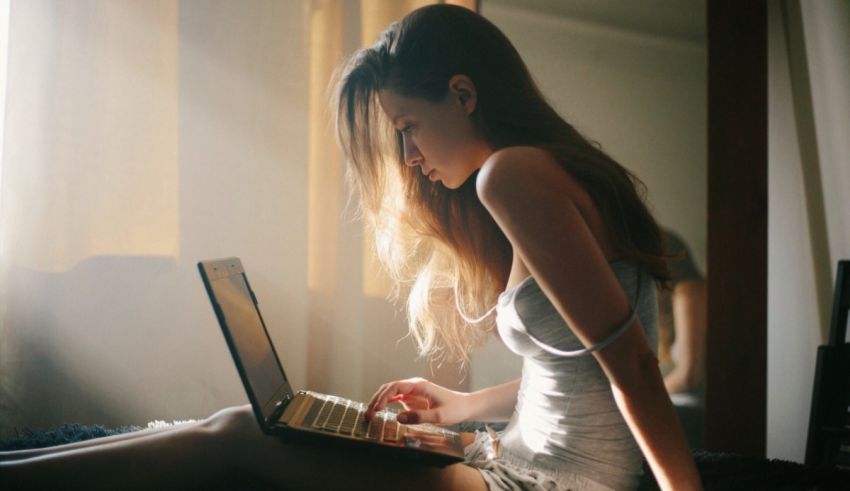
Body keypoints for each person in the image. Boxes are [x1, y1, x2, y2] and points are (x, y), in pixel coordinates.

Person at [0, 5, 702, 490]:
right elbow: (581, 370)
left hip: (539, 482)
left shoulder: (509, 176)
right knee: (245, 426)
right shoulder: (562, 169)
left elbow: (634, 366)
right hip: (516, 461)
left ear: (463, 94)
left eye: (410, 125)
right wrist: (459, 408)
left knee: (242, 435)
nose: (409, 155)